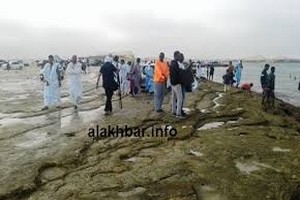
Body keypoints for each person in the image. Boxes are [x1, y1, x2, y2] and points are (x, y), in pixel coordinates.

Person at [170, 51, 184, 118]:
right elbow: (178, 74)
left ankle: (173, 112)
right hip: (177, 83)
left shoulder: (172, 63)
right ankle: (178, 114)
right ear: (175, 56)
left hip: (172, 83)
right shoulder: (175, 64)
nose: (179, 56)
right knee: (180, 98)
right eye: (178, 55)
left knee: (173, 98)